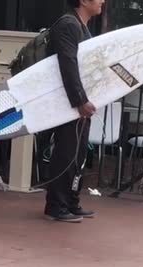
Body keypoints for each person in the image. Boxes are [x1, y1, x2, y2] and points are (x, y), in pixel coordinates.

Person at [44, 0, 105, 223]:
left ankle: (71, 201)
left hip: (78, 104)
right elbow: (68, 63)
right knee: (66, 152)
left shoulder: (81, 26)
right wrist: (79, 100)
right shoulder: (68, 24)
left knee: (78, 155)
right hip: (68, 103)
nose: (103, 1)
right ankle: (56, 205)